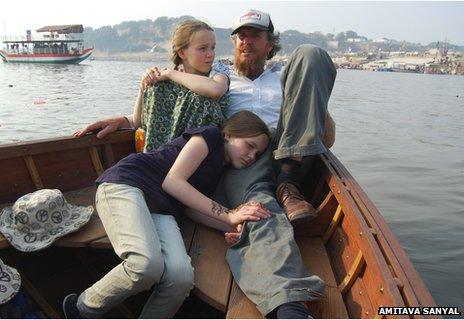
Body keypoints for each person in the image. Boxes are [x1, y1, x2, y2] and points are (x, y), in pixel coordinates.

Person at [74, 9, 337, 318]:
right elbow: (166, 108)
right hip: (244, 159)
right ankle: (289, 304)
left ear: (270, 43)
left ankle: (289, 181)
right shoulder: (221, 77)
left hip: (288, 147)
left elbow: (327, 139)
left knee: (311, 54)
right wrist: (124, 120)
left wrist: (313, 100)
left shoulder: (284, 78)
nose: (246, 41)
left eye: (256, 35)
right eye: (241, 35)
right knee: (258, 210)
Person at [62, 111, 271, 319]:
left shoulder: (219, 172)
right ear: (229, 134)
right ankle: (80, 309)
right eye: (250, 146)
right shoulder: (210, 136)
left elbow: (191, 209)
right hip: (127, 185)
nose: (251, 157)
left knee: (181, 279)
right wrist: (228, 215)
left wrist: (233, 227)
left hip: (162, 210)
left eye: (257, 154)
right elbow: (173, 181)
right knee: (145, 265)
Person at [75, 19, 229, 152]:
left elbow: (216, 91)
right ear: (182, 53)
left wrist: (169, 73)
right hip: (167, 154)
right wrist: (144, 88)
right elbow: (139, 121)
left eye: (213, 47)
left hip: (203, 152)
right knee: (156, 89)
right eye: (203, 48)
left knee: (201, 98)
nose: (210, 54)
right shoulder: (163, 85)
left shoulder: (217, 71)